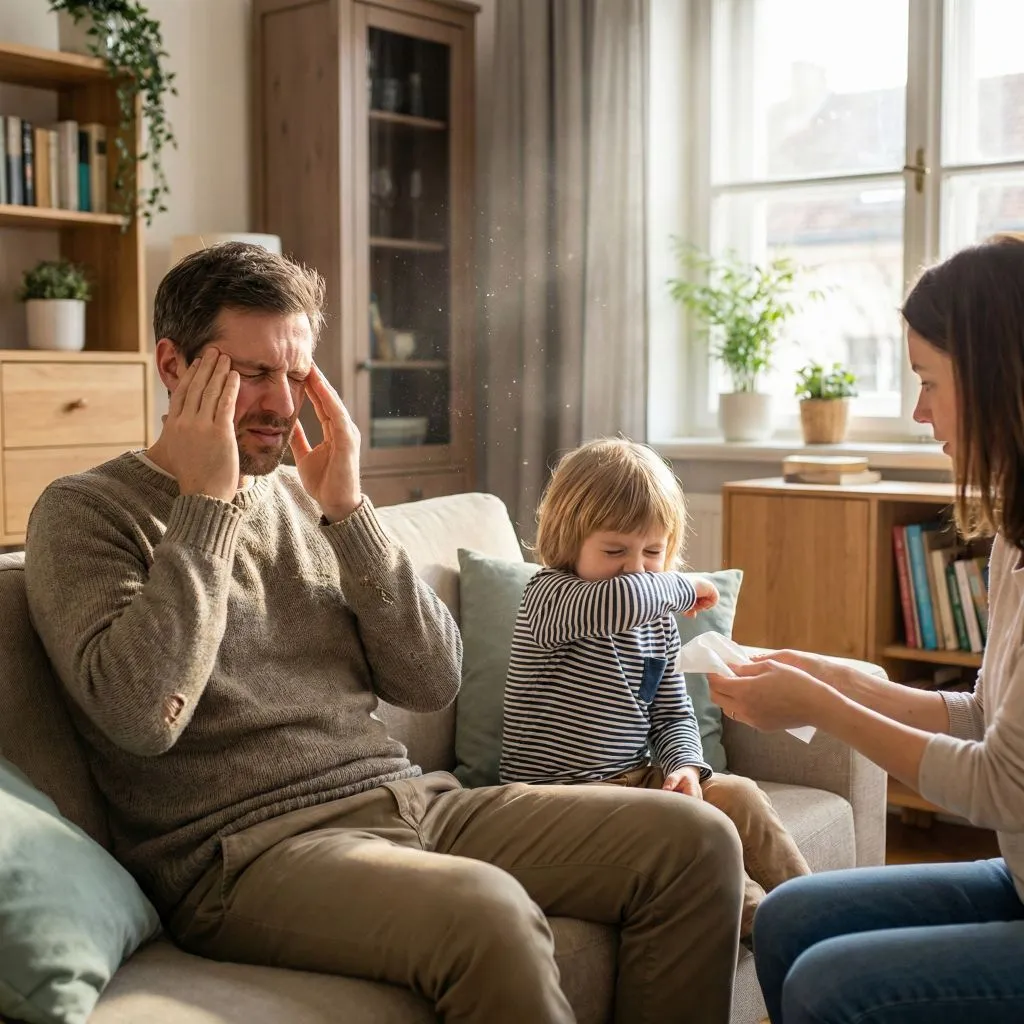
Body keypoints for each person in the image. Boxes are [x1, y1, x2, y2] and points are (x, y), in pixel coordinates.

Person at [24, 242, 746, 1024]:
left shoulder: (305, 500)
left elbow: (434, 679)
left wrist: (350, 513)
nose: (281, 403)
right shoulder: (84, 513)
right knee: (488, 915)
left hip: (410, 800)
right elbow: (139, 714)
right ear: (173, 366)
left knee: (696, 840)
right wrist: (206, 503)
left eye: (295, 375)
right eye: (252, 373)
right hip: (247, 856)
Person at [707, 233, 1024, 1024]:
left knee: (831, 986)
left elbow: (997, 785)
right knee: (788, 917)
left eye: (929, 382)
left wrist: (822, 708)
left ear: (995, 377)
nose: (918, 412)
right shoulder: (1014, 536)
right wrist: (837, 678)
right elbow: (986, 714)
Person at [500, 438, 810, 939]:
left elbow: (671, 715)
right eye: (615, 550)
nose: (637, 568)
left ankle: (821, 911)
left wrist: (685, 766)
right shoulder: (549, 597)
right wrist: (686, 585)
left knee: (739, 795)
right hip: (556, 802)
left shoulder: (657, 620)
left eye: (653, 552)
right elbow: (623, 598)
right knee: (692, 836)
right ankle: (780, 930)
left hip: (633, 779)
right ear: (568, 540)